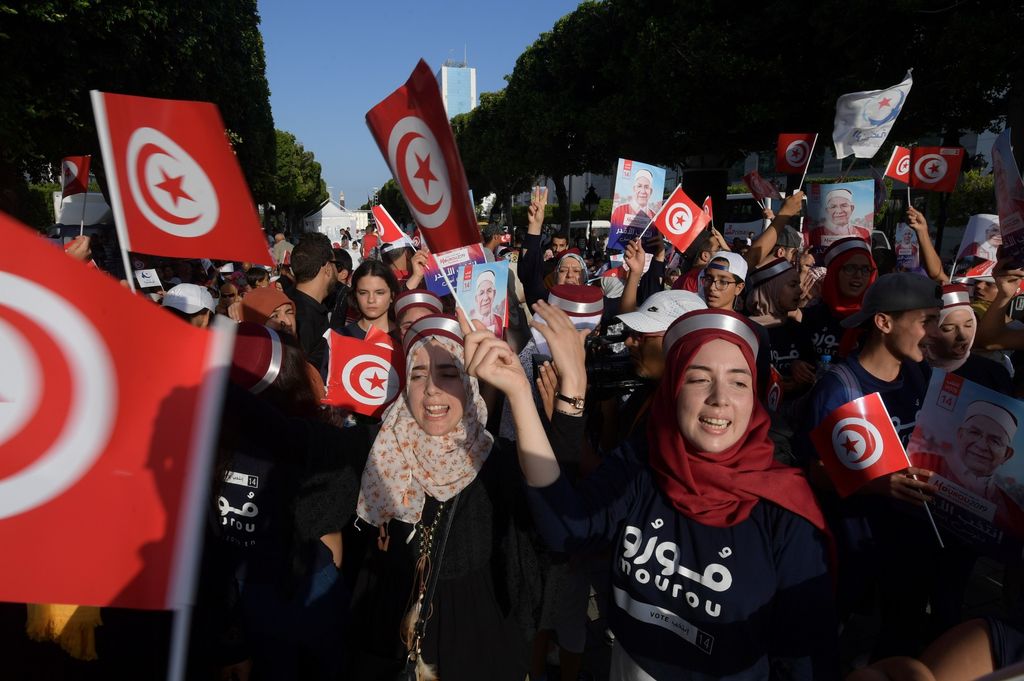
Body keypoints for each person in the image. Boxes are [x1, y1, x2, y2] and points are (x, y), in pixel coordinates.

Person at [469, 304, 837, 680]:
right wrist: (519, 392)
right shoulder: (642, 462)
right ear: (674, 387)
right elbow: (566, 527)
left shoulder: (787, 510)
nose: (719, 398)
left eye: (739, 381)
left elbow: (803, 657)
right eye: (698, 379)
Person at [347, 314, 543, 680]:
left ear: (470, 385)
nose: (432, 388)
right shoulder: (380, 450)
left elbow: (555, 509)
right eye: (418, 374)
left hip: (478, 641)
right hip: (391, 636)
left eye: (449, 374)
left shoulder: (497, 460)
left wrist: (532, 396)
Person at [801, 272, 944, 658]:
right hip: (854, 553)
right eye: (924, 321)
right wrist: (881, 484)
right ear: (883, 322)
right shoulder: (840, 387)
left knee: (898, 646)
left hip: (911, 546)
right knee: (839, 650)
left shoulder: (919, 373)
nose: (933, 331)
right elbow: (817, 471)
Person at [797, 237, 878, 360]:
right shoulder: (813, 315)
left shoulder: (878, 321)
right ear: (834, 273)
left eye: (866, 269)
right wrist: (797, 365)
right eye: (850, 268)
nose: (859, 275)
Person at [745, 258, 817, 396]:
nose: (800, 291)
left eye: (799, 284)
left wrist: (800, 376)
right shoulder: (746, 331)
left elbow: (812, 372)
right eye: (793, 285)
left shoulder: (798, 330)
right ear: (771, 289)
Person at [924, 283, 1012, 393]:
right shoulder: (910, 372)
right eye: (948, 328)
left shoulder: (994, 374)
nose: (963, 336)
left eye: (968, 325)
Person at [287, 233, 337, 375]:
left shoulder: (287, 303)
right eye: (336, 265)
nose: (337, 271)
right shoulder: (301, 319)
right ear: (327, 268)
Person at [339, 259, 400, 341]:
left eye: (379, 293)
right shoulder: (340, 338)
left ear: (392, 296)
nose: (371, 300)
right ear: (355, 295)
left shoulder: (405, 339)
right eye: (363, 293)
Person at [470, 269, 504, 335]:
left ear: (494, 294)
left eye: (489, 291)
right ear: (476, 298)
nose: (486, 298)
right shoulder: (470, 323)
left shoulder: (499, 319)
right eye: (481, 293)